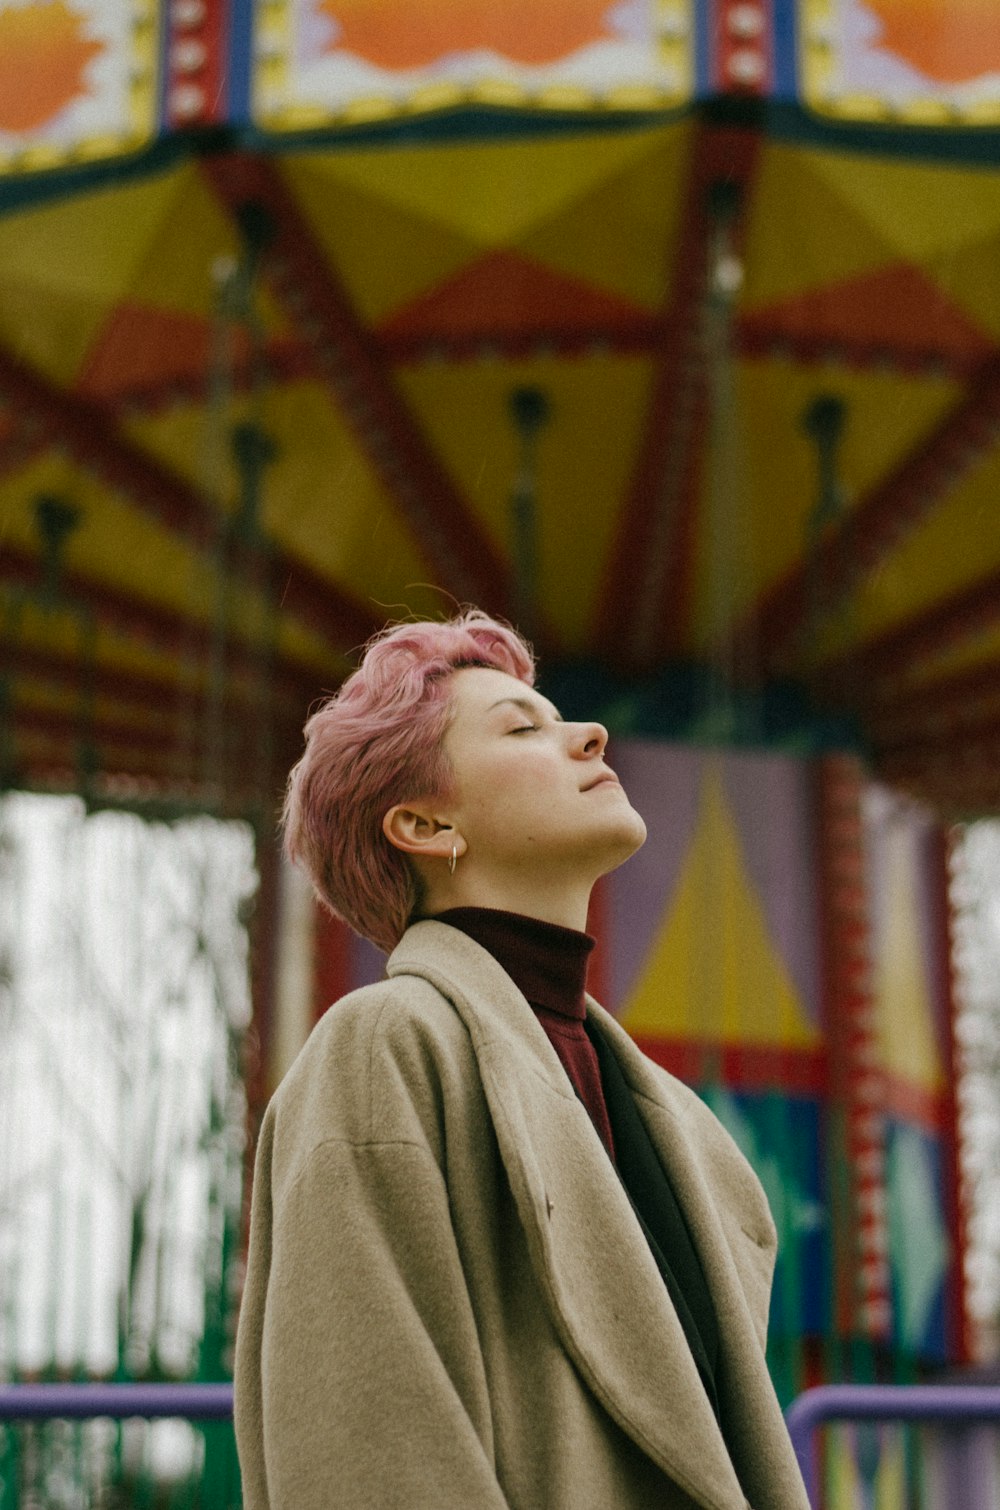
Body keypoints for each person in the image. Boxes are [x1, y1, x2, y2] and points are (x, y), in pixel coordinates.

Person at [234, 609, 809, 1510]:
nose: (590, 732)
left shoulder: (685, 1129)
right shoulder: (385, 1050)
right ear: (425, 823)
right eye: (521, 727)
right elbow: (374, 1460)